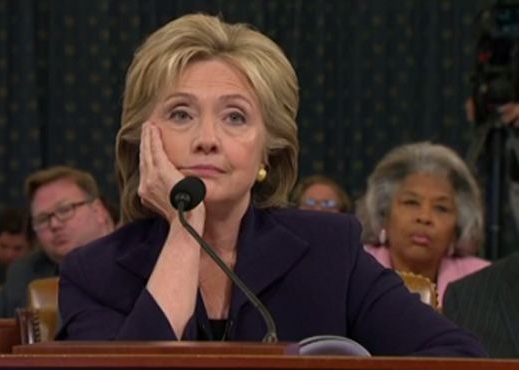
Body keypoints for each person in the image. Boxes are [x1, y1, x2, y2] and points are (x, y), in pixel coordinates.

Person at [55, 14, 485, 356]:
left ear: (268, 151)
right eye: (181, 114)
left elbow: (458, 356)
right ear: (142, 138)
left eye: (235, 117)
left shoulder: (330, 252)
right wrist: (185, 231)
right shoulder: (94, 273)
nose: (207, 138)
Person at [0, 166, 114, 318]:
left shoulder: (132, 259)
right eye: (43, 219)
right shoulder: (26, 272)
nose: (54, 225)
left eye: (64, 210)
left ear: (98, 210)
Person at [356, 142, 491, 306]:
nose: (424, 217)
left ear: (458, 227)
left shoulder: (484, 280)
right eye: (411, 202)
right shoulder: (354, 270)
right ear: (384, 213)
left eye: (441, 208)